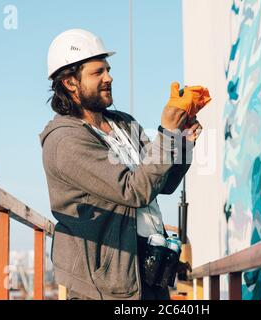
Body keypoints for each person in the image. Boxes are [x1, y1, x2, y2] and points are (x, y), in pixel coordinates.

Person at [40, 29, 203, 300]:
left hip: (148, 274)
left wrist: (181, 141)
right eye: (98, 72)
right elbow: (133, 191)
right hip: (106, 287)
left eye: (108, 70)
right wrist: (166, 133)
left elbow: (162, 184)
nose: (109, 77)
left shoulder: (123, 123)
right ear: (70, 83)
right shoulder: (65, 141)